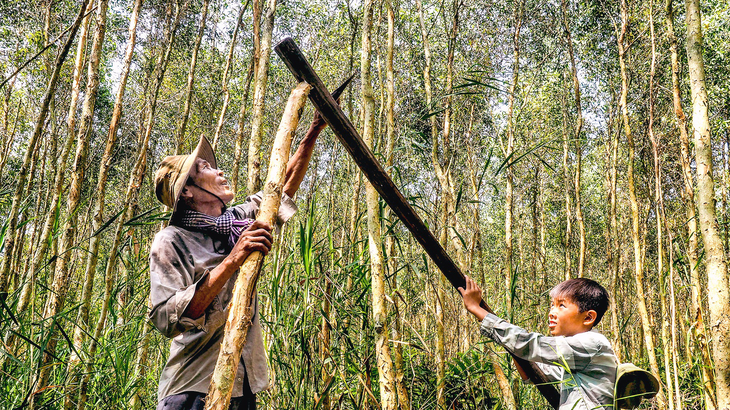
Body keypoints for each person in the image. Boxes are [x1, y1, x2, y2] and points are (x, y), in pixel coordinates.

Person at [149, 110, 328, 410]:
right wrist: (233, 259)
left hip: (241, 386)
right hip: (192, 390)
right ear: (189, 192)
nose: (219, 172)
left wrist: (313, 130)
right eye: (205, 168)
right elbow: (167, 317)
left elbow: (281, 186)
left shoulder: (236, 221)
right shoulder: (171, 240)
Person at [459, 276, 618, 410]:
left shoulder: (591, 343)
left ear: (588, 317)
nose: (552, 313)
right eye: (552, 305)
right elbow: (534, 371)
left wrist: (478, 310)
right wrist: (512, 343)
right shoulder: (575, 356)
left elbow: (532, 345)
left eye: (561, 305)